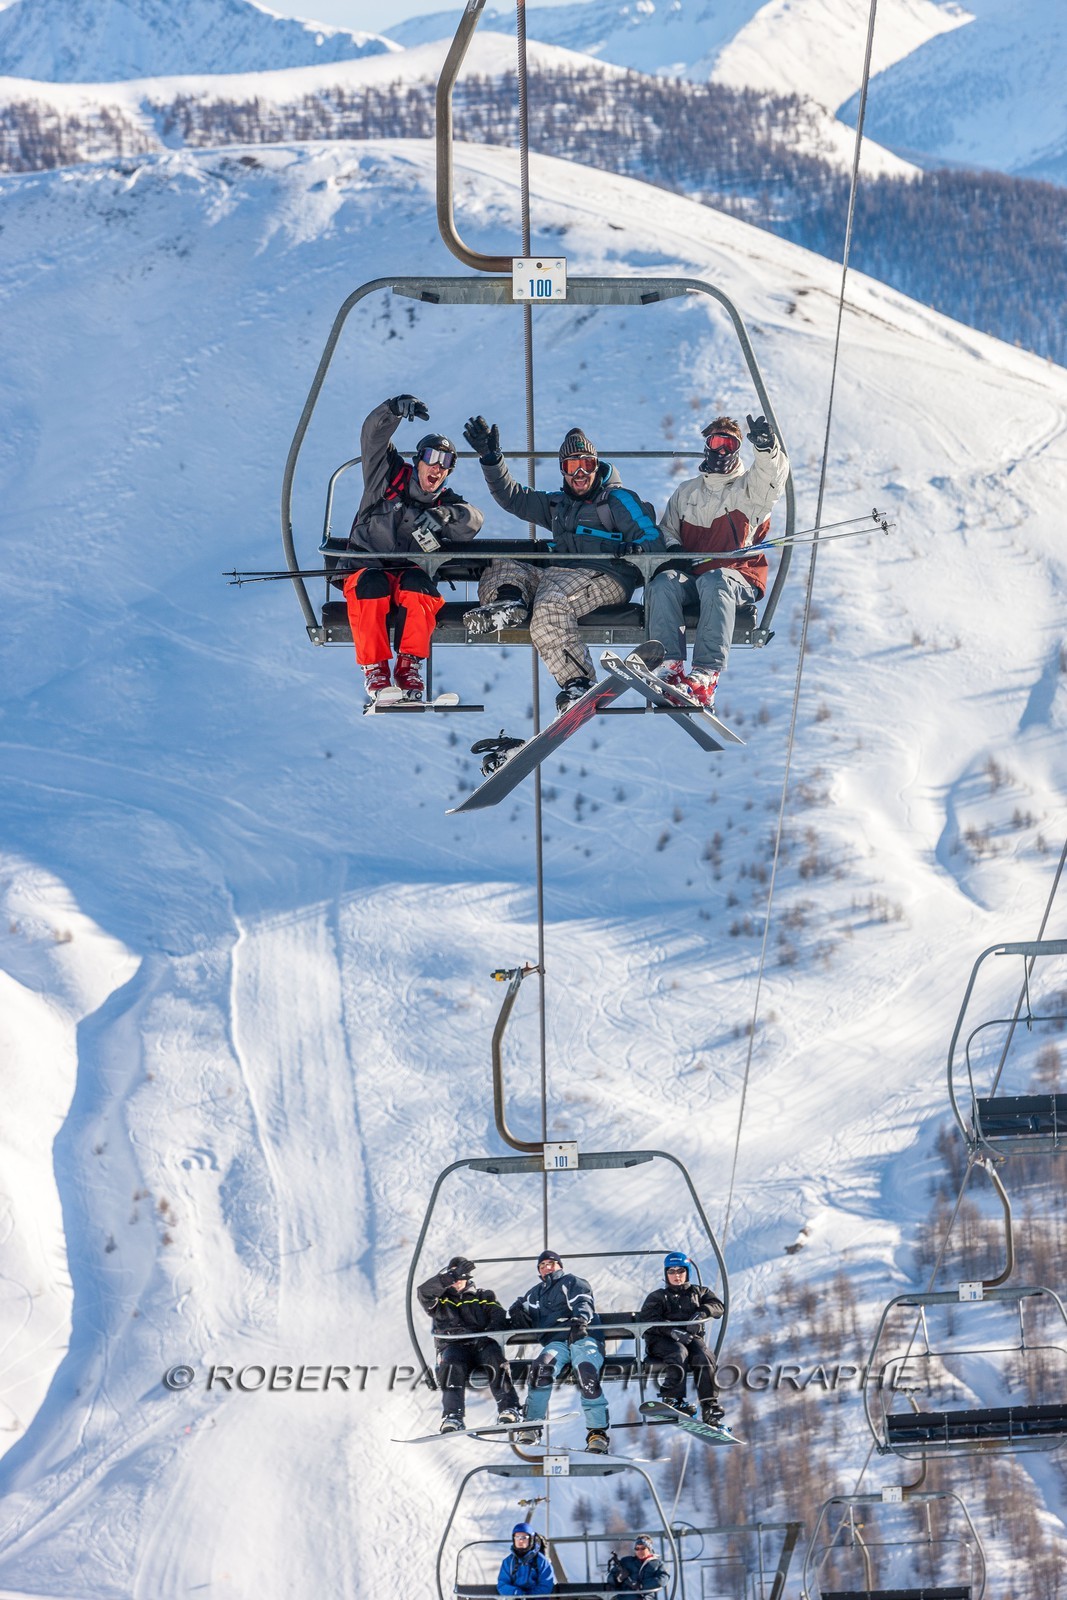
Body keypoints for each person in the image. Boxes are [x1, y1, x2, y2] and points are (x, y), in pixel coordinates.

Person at [461, 418, 663, 711]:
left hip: (606, 574)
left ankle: (578, 682)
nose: (580, 473)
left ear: (597, 465)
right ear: (563, 471)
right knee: (502, 566)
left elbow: (652, 535)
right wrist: (491, 459)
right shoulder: (558, 505)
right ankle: (508, 604)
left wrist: (638, 547)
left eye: (587, 465)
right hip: (561, 575)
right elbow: (514, 498)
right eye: (571, 467)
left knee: (549, 605)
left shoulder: (617, 499)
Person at [341, 394, 483, 702]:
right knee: (371, 583)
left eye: (445, 463)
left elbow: (472, 521)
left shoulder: (444, 502)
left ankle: (409, 667)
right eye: (431, 457)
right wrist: (391, 410)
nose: (437, 467)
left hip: (406, 577)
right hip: (368, 570)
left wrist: (447, 514)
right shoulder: (387, 476)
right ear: (418, 459)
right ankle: (375, 669)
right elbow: (372, 436)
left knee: (421, 584)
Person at [644, 411, 789, 709]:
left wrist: (766, 450)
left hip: (738, 575)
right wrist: (674, 555)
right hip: (694, 577)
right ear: (707, 446)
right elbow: (668, 530)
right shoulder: (686, 492)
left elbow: (771, 479)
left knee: (716, 580)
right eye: (717, 442)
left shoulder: (749, 490)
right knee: (663, 583)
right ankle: (669, 666)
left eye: (730, 445)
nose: (723, 451)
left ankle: (706, 674)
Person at [508, 1248, 610, 1454]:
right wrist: (516, 1311)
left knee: (586, 1372)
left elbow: (583, 1301)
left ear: (559, 1266)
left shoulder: (571, 1282)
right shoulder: (534, 1294)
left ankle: (597, 1432)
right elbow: (520, 1305)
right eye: (542, 1265)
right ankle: (531, 1426)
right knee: (541, 1368)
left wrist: (580, 1320)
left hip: (584, 1338)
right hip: (557, 1343)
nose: (547, 1267)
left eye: (551, 1264)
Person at [417, 1254, 521, 1433]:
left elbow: (498, 1315)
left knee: (494, 1360)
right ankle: (453, 1416)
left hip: (481, 1343)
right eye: (453, 1279)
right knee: (451, 1366)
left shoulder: (482, 1296)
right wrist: (449, 1277)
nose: (457, 1283)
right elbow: (423, 1292)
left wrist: (490, 1331)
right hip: (454, 1346)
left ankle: (509, 1408)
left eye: (460, 1278)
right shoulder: (440, 1301)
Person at [637, 1251, 726, 1425]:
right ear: (666, 1274)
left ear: (687, 1272)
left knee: (704, 1355)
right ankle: (672, 1399)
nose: (676, 1276)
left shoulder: (699, 1292)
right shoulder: (658, 1297)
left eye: (680, 1271)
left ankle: (709, 1405)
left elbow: (718, 1306)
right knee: (678, 1352)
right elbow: (648, 1320)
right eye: (671, 1271)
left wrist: (702, 1312)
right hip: (661, 1340)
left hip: (691, 1338)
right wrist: (671, 1331)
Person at [497, 1523, 554, 1596]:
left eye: (524, 1537)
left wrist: (529, 1596)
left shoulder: (542, 1562)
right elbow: (502, 1585)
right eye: (517, 1537)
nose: (520, 1541)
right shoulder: (508, 1562)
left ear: (531, 1539)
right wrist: (518, 1595)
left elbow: (546, 1586)